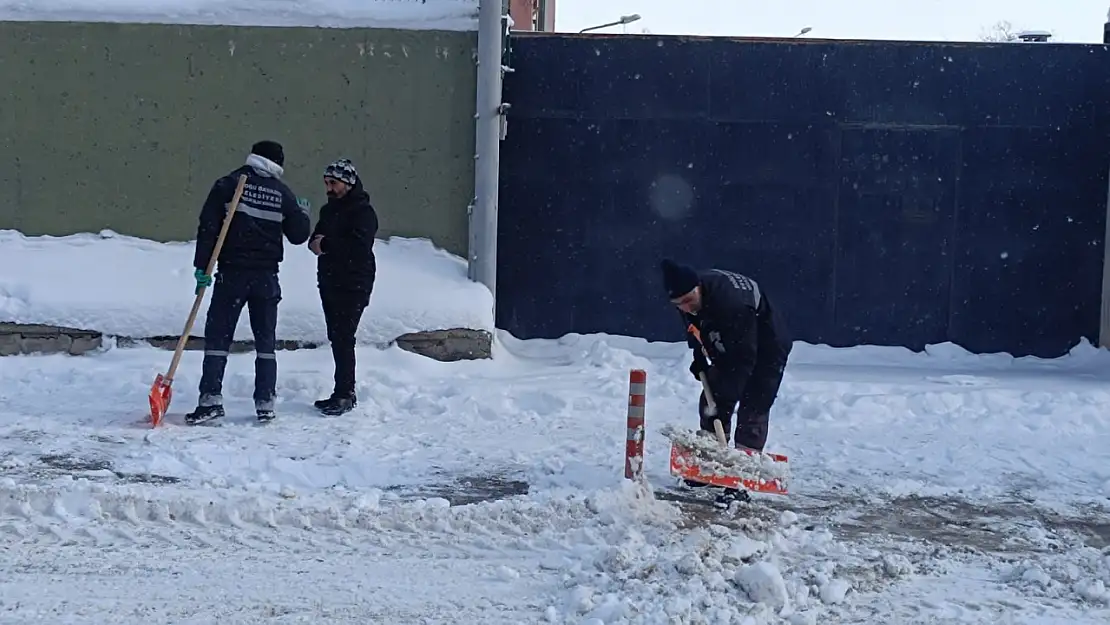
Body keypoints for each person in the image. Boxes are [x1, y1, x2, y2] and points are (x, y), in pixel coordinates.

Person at [186, 140, 312, 425]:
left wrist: (202, 267)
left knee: (219, 336)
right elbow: (298, 235)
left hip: (233, 274)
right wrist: (302, 213)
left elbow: (209, 227)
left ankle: (210, 401)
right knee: (265, 340)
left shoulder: (228, 184)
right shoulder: (282, 193)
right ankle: (265, 402)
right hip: (266, 277)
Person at [660, 259, 793, 453]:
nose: (685, 307)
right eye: (679, 304)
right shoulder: (688, 297)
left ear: (699, 287)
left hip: (769, 345)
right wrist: (699, 356)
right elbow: (694, 326)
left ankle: (746, 462)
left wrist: (726, 396)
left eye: (688, 300)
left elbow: (744, 358)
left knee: (755, 401)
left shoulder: (731, 303)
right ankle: (712, 455)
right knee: (712, 398)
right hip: (732, 341)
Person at [308, 158, 379, 416]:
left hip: (353, 283)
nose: (329, 188)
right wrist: (321, 244)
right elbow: (315, 238)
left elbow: (358, 247)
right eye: (327, 183)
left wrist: (326, 245)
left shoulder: (363, 212)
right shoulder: (329, 211)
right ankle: (341, 391)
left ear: (347, 184)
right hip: (329, 280)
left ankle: (345, 393)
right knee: (337, 337)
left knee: (343, 336)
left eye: (333, 183)